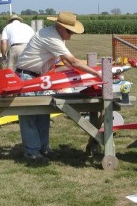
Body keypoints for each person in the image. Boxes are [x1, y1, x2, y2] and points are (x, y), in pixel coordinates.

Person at [16, 11, 102, 165]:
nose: (72, 34)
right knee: (29, 115)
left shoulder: (57, 36)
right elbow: (72, 62)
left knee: (43, 113)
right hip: (27, 77)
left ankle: (43, 148)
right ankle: (32, 152)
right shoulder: (52, 37)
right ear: (60, 27)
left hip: (40, 77)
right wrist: (97, 73)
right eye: (70, 31)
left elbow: (66, 62)